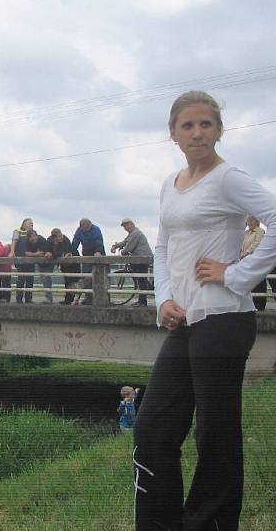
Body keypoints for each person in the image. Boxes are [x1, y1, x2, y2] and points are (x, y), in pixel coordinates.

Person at [133, 91, 276, 530]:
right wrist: (163, 300)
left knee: (214, 435)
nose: (197, 133)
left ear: (219, 130)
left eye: (206, 124)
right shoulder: (169, 185)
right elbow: (162, 248)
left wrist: (236, 275)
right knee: (152, 430)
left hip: (224, 320)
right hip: (186, 321)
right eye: (188, 126)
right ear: (172, 134)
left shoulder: (229, 179)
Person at [111, 218, 153, 307]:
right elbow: (125, 242)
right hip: (137, 259)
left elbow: (129, 248)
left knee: (141, 280)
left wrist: (122, 252)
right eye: (124, 226)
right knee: (141, 279)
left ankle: (143, 301)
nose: (125, 227)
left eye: (126, 225)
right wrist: (115, 246)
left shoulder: (136, 234)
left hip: (142, 260)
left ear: (131, 224)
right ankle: (143, 298)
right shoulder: (132, 233)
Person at [71, 219, 105, 305]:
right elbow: (75, 243)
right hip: (86, 255)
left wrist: (98, 251)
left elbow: (99, 241)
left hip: (98, 254)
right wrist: (71, 252)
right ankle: (88, 298)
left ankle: (101, 299)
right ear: (81, 227)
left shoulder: (96, 229)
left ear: (90, 225)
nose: (86, 230)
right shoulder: (79, 231)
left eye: (88, 228)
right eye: (84, 228)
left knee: (100, 278)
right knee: (86, 277)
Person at [45, 228, 79, 305]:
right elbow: (48, 251)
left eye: (61, 235)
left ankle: (73, 300)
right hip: (64, 265)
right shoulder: (50, 241)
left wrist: (54, 254)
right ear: (54, 238)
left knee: (73, 281)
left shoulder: (65, 239)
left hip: (73, 264)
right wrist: (48, 253)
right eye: (59, 236)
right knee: (67, 282)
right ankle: (68, 300)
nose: (61, 237)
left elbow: (67, 251)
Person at [241, 216, 267, 310]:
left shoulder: (260, 231)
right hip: (245, 262)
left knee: (259, 283)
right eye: (248, 221)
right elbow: (242, 244)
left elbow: (257, 243)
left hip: (256, 261)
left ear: (256, 222)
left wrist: (247, 252)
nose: (249, 223)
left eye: (251, 221)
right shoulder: (246, 233)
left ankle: (260, 306)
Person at [15, 230, 45, 303]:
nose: (34, 238)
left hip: (31, 263)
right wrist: (36, 254)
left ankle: (28, 299)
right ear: (28, 238)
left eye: (35, 236)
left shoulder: (41, 239)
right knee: (21, 281)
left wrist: (38, 253)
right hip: (21, 263)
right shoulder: (24, 241)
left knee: (30, 281)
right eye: (32, 237)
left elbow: (42, 251)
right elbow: (25, 253)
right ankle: (19, 299)